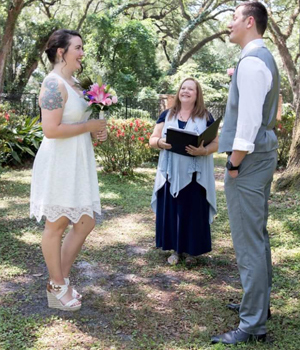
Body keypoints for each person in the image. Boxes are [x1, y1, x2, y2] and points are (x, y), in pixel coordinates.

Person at [211, 2, 279, 345]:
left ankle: (252, 324)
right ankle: (259, 306)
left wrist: (234, 164)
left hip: (249, 162)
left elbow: (249, 123)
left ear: (250, 21)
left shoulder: (253, 62)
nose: (229, 24)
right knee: (258, 235)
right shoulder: (257, 60)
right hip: (262, 157)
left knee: (248, 242)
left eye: (234, 17)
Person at [30, 29, 107, 311]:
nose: (82, 53)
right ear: (61, 52)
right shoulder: (53, 84)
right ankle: (57, 284)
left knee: (85, 222)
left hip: (78, 160)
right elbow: (50, 129)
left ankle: (56, 280)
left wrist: (94, 133)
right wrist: (88, 127)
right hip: (59, 163)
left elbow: (77, 125)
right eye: (78, 47)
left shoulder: (75, 83)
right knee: (57, 224)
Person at [150, 78, 218, 266]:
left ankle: (192, 252)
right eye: (183, 88)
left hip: (195, 174)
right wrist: (160, 143)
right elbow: (152, 139)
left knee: (193, 211)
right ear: (179, 91)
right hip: (170, 173)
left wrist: (203, 151)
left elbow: (216, 143)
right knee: (173, 211)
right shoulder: (167, 114)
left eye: (191, 89)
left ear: (197, 94)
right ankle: (175, 250)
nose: (186, 91)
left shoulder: (205, 117)